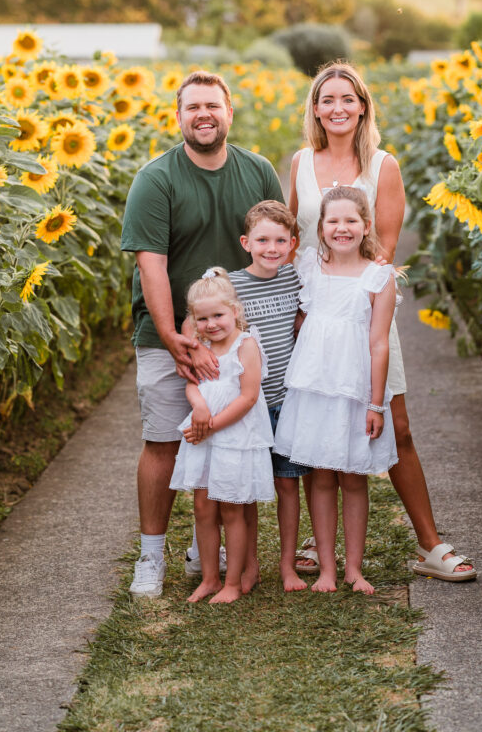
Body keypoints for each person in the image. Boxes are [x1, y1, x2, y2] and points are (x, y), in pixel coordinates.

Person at [289, 62, 476, 582]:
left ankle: (431, 544)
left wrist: (358, 311)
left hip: (366, 314)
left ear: (363, 106)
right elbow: (295, 243)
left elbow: (385, 253)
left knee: (395, 425)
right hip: (313, 318)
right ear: (316, 108)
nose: (338, 108)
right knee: (320, 424)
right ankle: (318, 539)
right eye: (327, 99)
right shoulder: (302, 163)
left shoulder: (383, 166)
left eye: (348, 98)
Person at [120, 71, 284, 598]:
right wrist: (173, 339)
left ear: (229, 112)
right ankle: (151, 556)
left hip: (235, 337)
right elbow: (152, 265)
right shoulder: (156, 179)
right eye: (192, 107)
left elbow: (275, 246)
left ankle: (205, 548)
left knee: (228, 438)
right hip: (165, 332)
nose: (203, 115)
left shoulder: (257, 171)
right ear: (178, 116)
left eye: (212, 105)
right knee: (165, 440)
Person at [275, 186, 398, 595]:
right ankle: (327, 568)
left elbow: (379, 342)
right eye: (333, 221)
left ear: (366, 226)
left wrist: (376, 403)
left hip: (355, 389)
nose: (342, 228)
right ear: (321, 228)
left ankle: (354, 568)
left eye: (351, 221)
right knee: (322, 477)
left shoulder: (378, 277)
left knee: (354, 478)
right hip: (313, 387)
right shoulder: (309, 266)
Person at [169, 268, 275, 603]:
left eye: (218, 315)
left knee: (232, 509)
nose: (211, 324)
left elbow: (248, 397)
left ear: (235, 311)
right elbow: (192, 383)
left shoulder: (246, 346)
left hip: (234, 437)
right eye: (203, 319)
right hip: (205, 435)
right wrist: (198, 406)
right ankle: (210, 578)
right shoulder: (201, 347)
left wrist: (210, 425)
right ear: (194, 321)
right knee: (203, 509)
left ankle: (233, 582)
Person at [228, 200, 310, 592]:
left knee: (287, 485)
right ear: (246, 242)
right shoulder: (231, 285)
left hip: (287, 401)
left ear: (292, 243)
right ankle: (249, 565)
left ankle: (288, 565)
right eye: (262, 240)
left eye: (280, 240)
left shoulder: (294, 278)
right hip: (250, 405)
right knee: (246, 490)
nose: (271, 248)